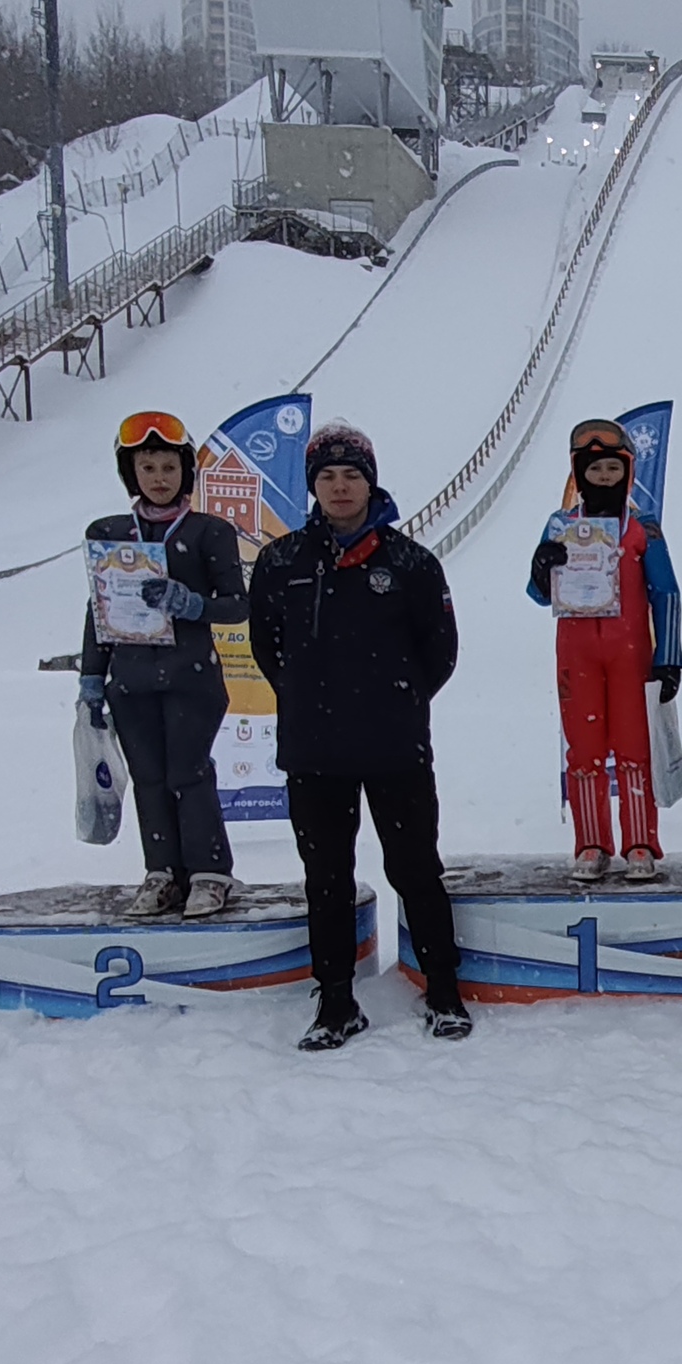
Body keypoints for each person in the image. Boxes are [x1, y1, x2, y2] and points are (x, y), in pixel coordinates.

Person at [249, 422, 472, 1050]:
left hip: (395, 747)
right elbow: (267, 647)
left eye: (352, 475)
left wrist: (396, 700)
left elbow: (440, 652)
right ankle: (337, 1001)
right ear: (313, 486)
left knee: (415, 869)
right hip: (314, 751)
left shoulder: (410, 563)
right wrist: (309, 697)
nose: (340, 487)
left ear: (371, 483)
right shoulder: (280, 561)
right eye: (327, 476)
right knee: (326, 878)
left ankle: (443, 991)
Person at [79, 411, 246, 919]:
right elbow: (97, 608)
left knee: (188, 774)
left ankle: (209, 872)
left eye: (169, 467)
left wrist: (192, 604)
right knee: (148, 777)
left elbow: (237, 604)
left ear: (185, 472)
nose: (158, 478)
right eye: (147, 468)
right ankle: (162, 872)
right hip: (130, 681)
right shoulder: (110, 534)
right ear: (131, 474)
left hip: (189, 676)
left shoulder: (208, 532)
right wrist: (92, 677)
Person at [528, 419, 682, 882]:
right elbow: (538, 594)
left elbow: (666, 593)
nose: (603, 477)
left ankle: (640, 843)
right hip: (577, 655)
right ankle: (591, 843)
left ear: (627, 472)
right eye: (594, 468)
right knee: (584, 750)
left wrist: (669, 656)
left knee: (635, 748)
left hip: (630, 655)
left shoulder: (642, 530)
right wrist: (542, 566)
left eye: (613, 468)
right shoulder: (561, 525)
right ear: (579, 472)